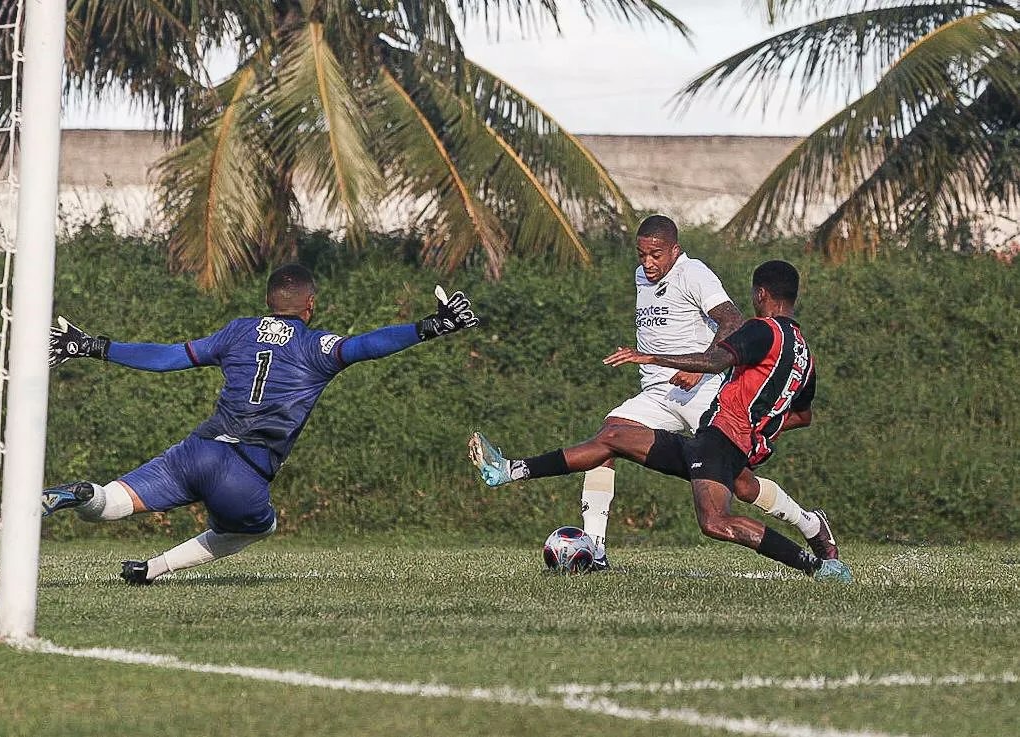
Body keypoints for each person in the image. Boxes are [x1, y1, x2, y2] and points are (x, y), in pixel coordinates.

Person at [41, 263, 478, 585]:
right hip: (244, 471)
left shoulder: (238, 332)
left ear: (268, 302)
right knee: (257, 527)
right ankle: (157, 568)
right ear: (310, 304)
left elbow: (168, 357)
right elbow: (367, 345)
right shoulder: (317, 346)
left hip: (198, 451)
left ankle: (85, 495)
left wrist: (94, 345)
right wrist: (433, 326)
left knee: (110, 504)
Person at [482, 213, 834, 571]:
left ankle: (809, 524)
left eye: (657, 255)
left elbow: (732, 320)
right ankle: (596, 550)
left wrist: (694, 372)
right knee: (611, 434)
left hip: (700, 390)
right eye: (642, 255)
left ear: (675, 250)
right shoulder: (641, 277)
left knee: (741, 485)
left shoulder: (693, 272)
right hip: (657, 393)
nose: (648, 263)